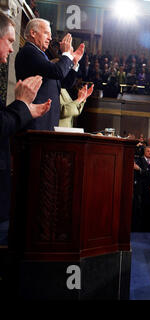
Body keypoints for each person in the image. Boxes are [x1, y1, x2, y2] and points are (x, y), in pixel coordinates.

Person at [0, 12, 51, 244]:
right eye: (9, 41)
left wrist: (27, 110)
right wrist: (21, 104)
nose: (12, 49)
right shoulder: (30, 53)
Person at [15, 18, 84, 130]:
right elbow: (58, 72)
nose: (50, 38)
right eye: (46, 33)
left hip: (46, 121)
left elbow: (65, 83)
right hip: (36, 123)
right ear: (33, 33)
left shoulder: (42, 56)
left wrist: (74, 63)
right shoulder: (29, 51)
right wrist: (66, 54)